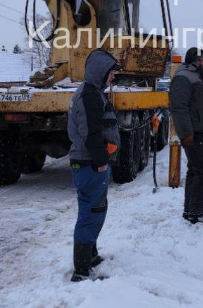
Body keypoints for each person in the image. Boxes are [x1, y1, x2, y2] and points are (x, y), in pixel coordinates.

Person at [67, 49, 122, 282]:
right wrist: (101, 161)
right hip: (90, 163)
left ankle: (90, 255)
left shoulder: (92, 92)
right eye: (111, 73)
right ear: (100, 71)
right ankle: (81, 270)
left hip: (89, 162)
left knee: (93, 209)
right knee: (91, 213)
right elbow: (91, 133)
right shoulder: (90, 95)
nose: (113, 77)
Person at [170, 47, 203, 225]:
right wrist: (186, 134)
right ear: (190, 60)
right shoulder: (184, 77)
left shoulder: (198, 77)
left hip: (200, 132)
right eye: (198, 60)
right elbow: (179, 107)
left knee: (194, 171)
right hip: (192, 134)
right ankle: (198, 211)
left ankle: (189, 210)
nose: (201, 63)